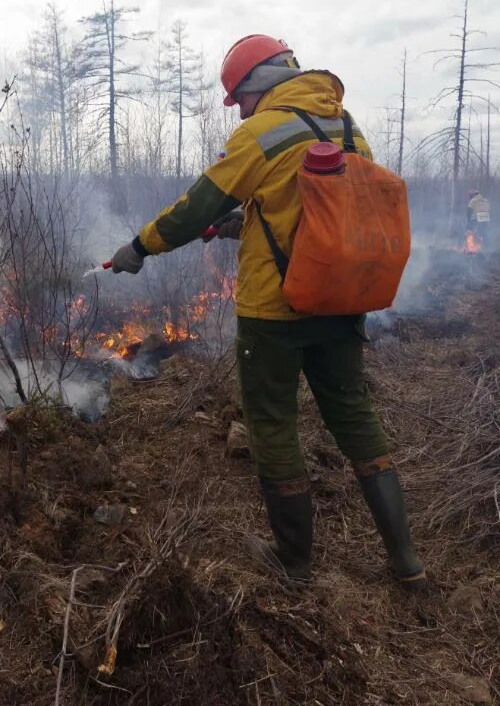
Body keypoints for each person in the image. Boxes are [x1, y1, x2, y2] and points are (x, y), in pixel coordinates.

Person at [109, 34, 426, 590]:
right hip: (343, 301)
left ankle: (294, 561)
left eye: (239, 99)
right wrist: (241, 224)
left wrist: (140, 248)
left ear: (254, 85)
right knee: (356, 418)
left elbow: (194, 207)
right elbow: (318, 215)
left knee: (273, 425)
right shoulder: (349, 129)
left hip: (275, 315)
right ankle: (406, 560)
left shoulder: (259, 133)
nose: (243, 110)